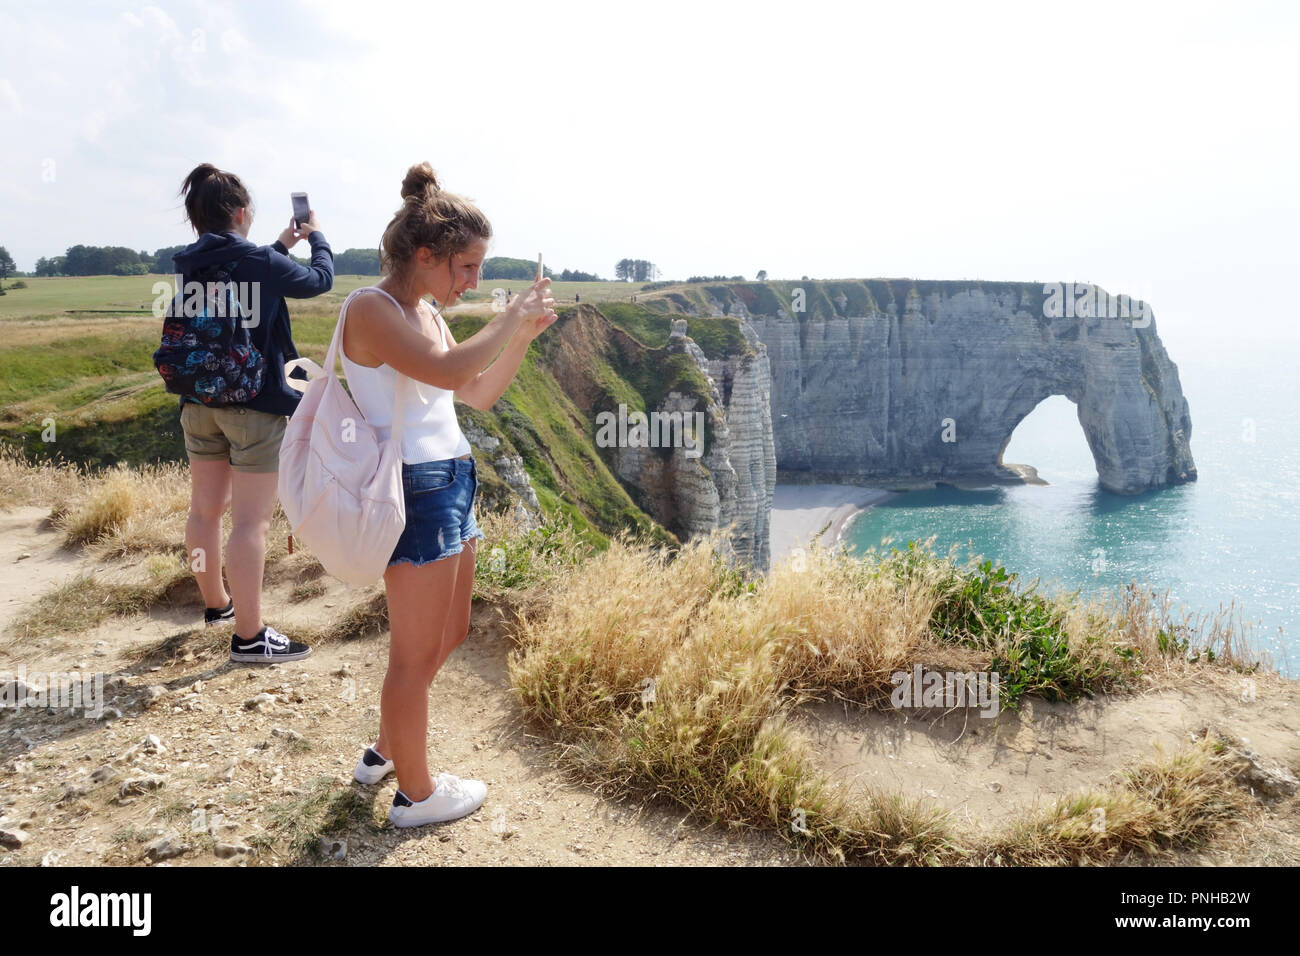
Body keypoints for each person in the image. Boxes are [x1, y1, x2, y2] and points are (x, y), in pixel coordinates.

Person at [339, 162, 556, 826]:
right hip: (414, 488)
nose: (475, 281)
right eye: (466, 266)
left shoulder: (425, 312)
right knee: (411, 653)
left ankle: (385, 749)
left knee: (451, 631)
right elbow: (448, 369)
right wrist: (506, 317)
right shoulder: (370, 309)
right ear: (425, 255)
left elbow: (477, 392)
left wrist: (520, 334)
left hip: (452, 479)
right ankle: (416, 794)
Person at [171, 163, 333, 663]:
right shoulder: (260, 261)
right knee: (251, 523)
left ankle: (217, 605)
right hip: (254, 405)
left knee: (204, 511)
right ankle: (250, 637)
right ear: (242, 212)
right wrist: (316, 237)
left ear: (195, 218)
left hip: (198, 401)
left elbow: (240, 279)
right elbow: (319, 281)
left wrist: (278, 247)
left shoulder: (186, 262)